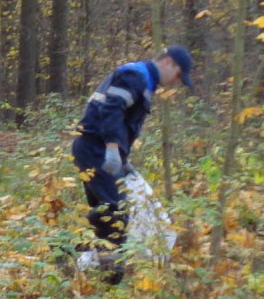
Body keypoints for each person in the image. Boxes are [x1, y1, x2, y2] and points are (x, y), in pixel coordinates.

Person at [72, 44, 192, 257]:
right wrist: (111, 147)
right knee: (115, 211)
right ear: (168, 62)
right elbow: (112, 109)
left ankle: (84, 259)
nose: (177, 82)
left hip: (94, 147)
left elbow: (123, 120)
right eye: (178, 75)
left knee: (106, 210)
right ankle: (101, 266)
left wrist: (122, 159)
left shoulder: (143, 78)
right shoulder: (136, 76)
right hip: (95, 148)